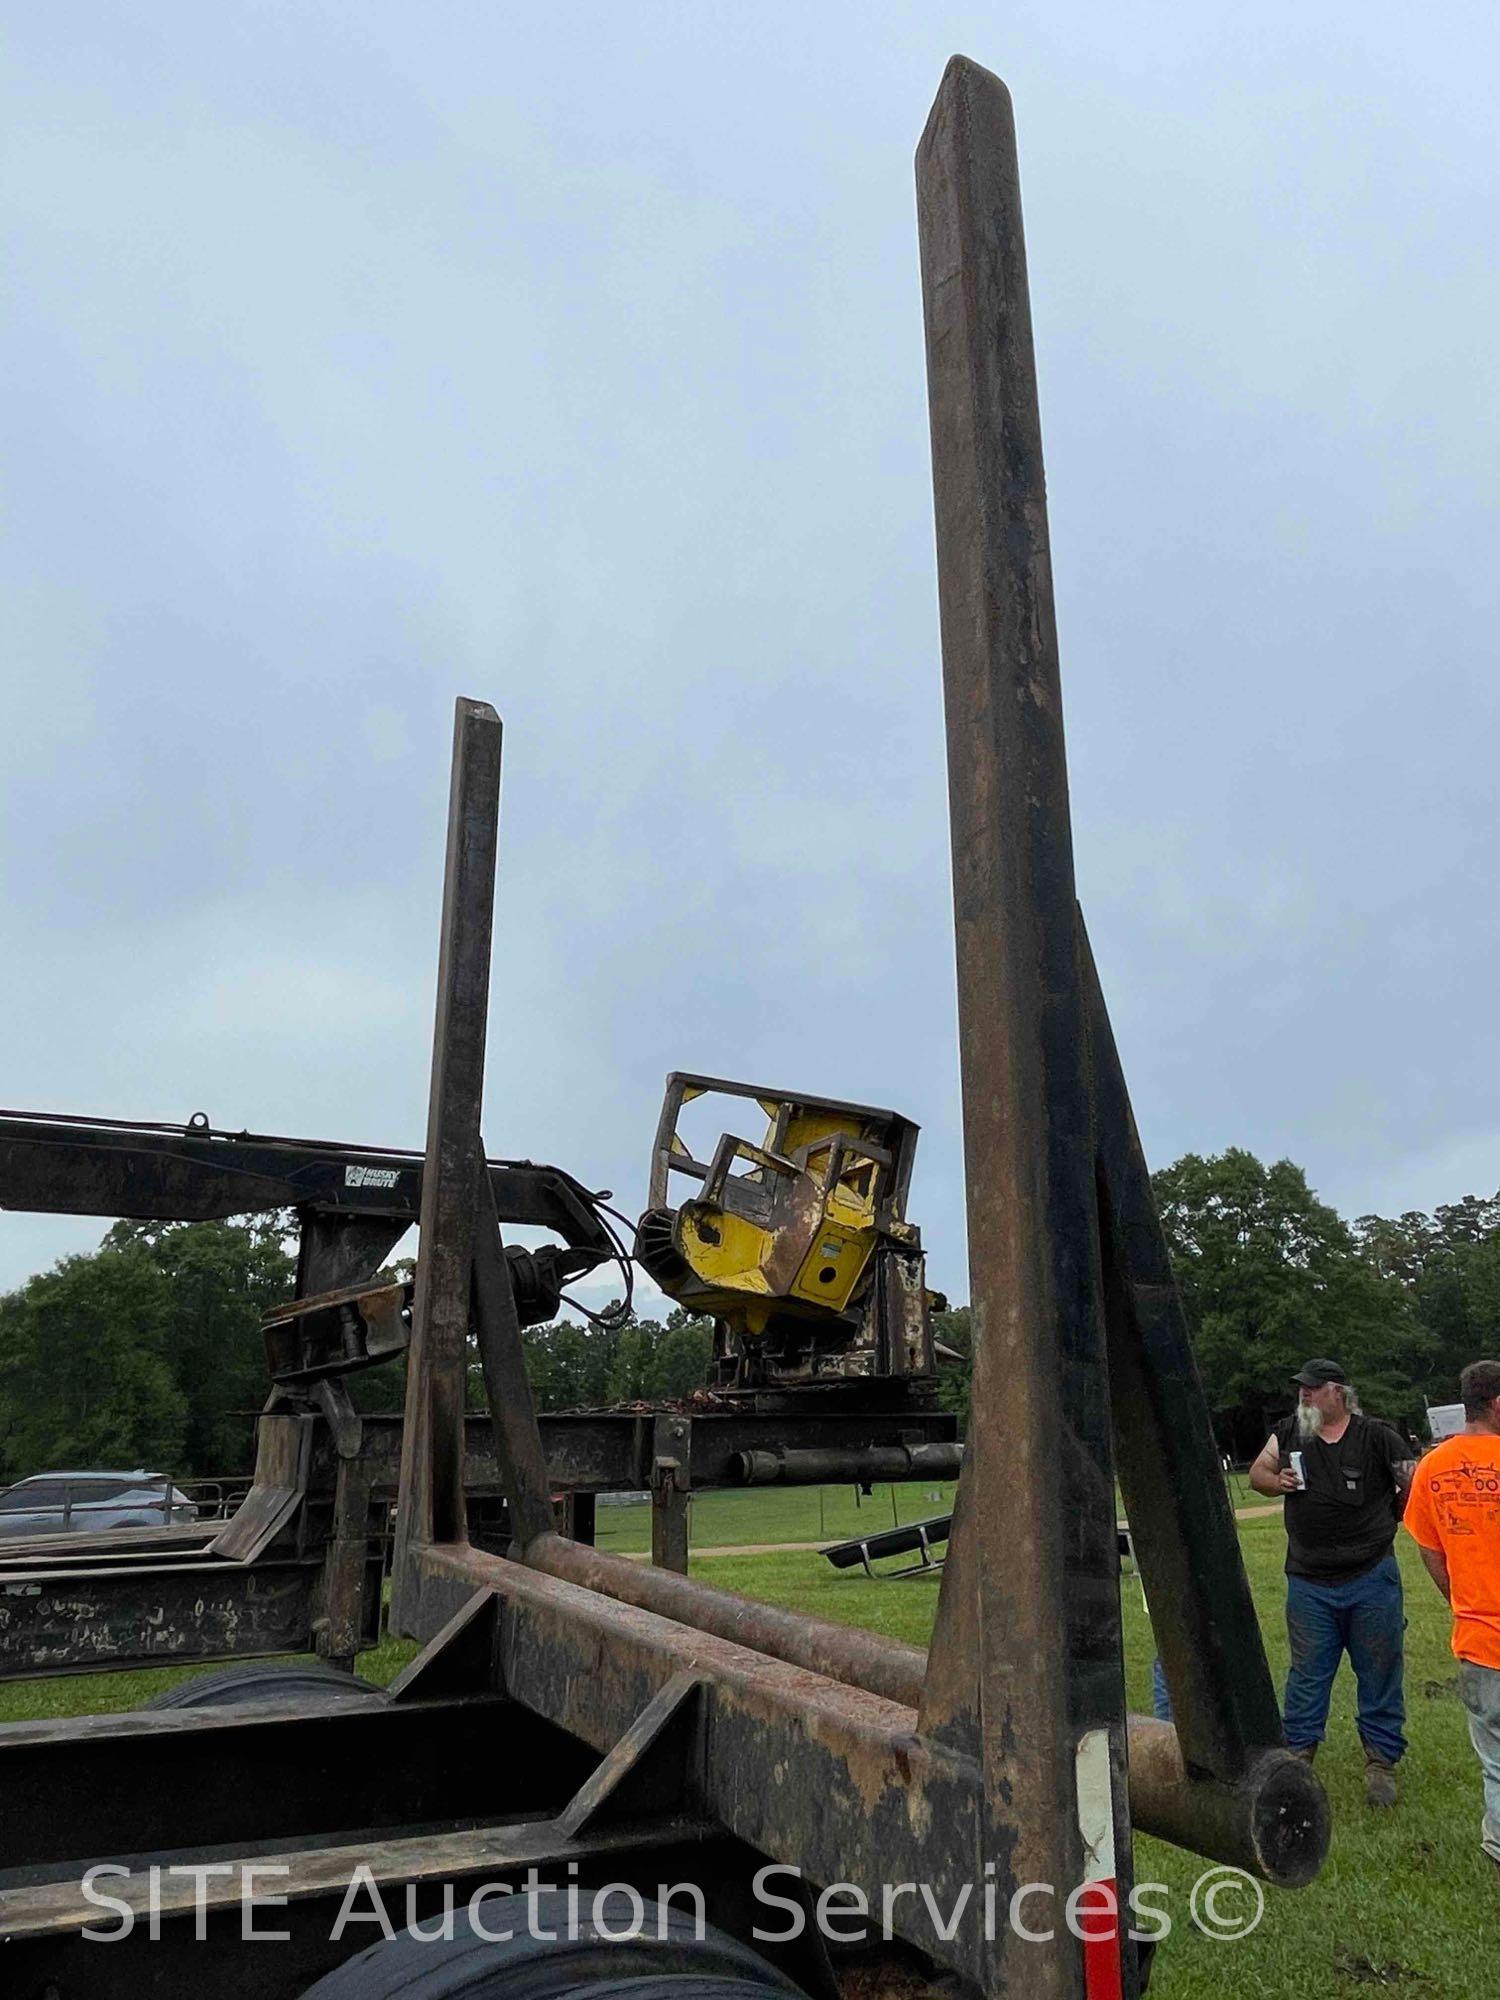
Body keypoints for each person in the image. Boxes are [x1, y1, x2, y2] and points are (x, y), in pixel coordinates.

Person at [1248, 1358, 1415, 1804]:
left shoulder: (1376, 1435)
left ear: (1338, 1392)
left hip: (1372, 1575)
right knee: (1307, 1673)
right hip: (1308, 1579)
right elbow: (1257, 1474)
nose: (1304, 1394)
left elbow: (1410, 1482)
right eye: (1301, 1388)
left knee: (1379, 1668)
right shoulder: (1289, 1431)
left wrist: (1391, 1520)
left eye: (1313, 1388)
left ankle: (1381, 1762)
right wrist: (1275, 1480)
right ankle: (1297, 1759)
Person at [1402, 1358, 1500, 1869]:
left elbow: (1429, 1548)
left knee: (1496, 1757)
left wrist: (1459, 1598)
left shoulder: (1434, 1468)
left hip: (1479, 1638)